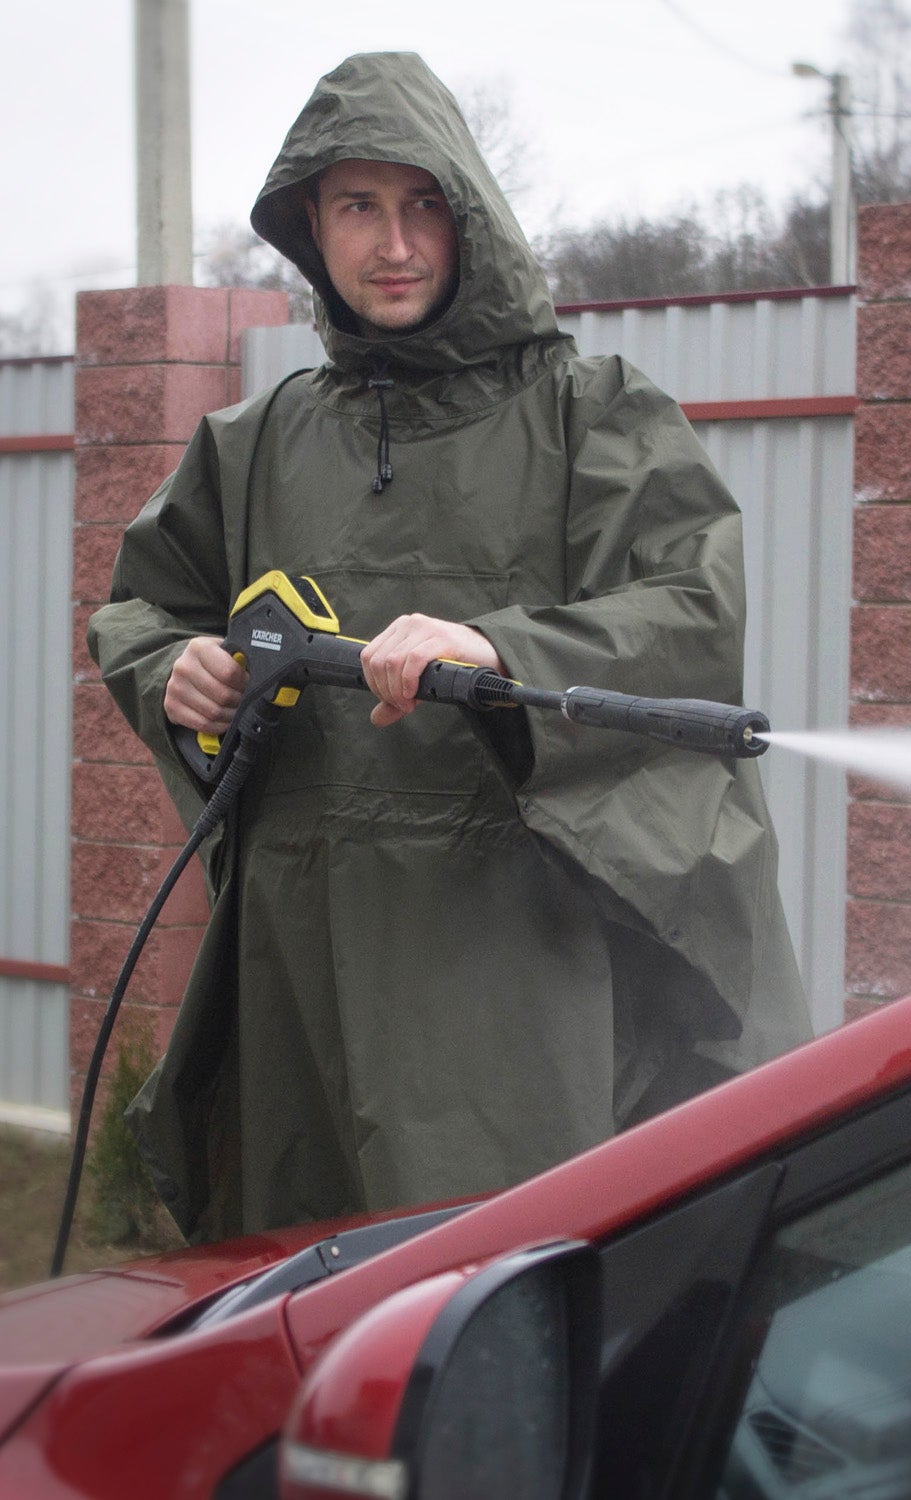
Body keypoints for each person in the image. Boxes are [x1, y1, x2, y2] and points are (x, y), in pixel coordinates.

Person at [88, 51, 811, 1243]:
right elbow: (140, 608)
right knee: (308, 1290)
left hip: (520, 973)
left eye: (423, 203)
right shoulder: (253, 446)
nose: (394, 244)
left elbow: (693, 610)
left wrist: (496, 647)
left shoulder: (591, 413)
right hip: (302, 973)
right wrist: (174, 671)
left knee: (510, 1280)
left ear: (469, 211)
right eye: (357, 206)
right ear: (308, 225)